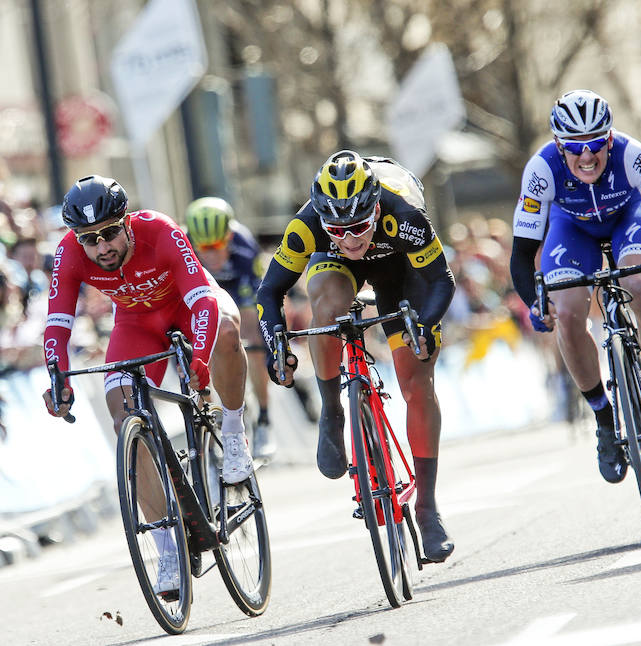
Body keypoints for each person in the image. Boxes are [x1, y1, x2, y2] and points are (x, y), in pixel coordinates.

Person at [42, 175, 255, 593]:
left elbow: (203, 298)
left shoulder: (159, 230)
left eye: (108, 234)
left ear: (126, 223)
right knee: (125, 419)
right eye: (90, 239)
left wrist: (199, 356)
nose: (101, 247)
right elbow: (57, 323)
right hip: (137, 324)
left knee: (229, 332)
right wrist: (57, 376)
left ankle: (233, 431)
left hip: (188, 305)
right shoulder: (68, 253)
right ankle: (168, 549)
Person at [256, 150, 456, 563]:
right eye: (337, 230)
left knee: (416, 382)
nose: (350, 239)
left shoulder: (404, 217)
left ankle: (427, 508)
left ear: (376, 207)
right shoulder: (307, 224)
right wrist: (276, 344)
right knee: (326, 308)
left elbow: (442, 281)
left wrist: (424, 325)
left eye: (359, 227)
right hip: (339, 273)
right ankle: (333, 412)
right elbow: (269, 292)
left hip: (404, 268)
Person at [509, 89, 641, 484]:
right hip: (571, 228)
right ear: (559, 146)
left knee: (639, 285)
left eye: (596, 143)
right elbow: (522, 255)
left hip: (629, 217)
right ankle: (605, 423)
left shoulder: (634, 156)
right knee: (566, 311)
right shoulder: (541, 170)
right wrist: (534, 303)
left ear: (609, 139)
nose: (587, 156)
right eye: (575, 148)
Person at [184, 196, 275, 458]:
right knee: (194, 347)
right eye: (204, 248)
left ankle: (264, 419)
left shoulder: (244, 245)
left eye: (216, 246)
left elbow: (252, 303)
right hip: (204, 292)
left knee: (252, 338)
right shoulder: (184, 244)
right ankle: (209, 425)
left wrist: (250, 340)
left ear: (228, 236)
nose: (210, 254)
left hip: (238, 290)